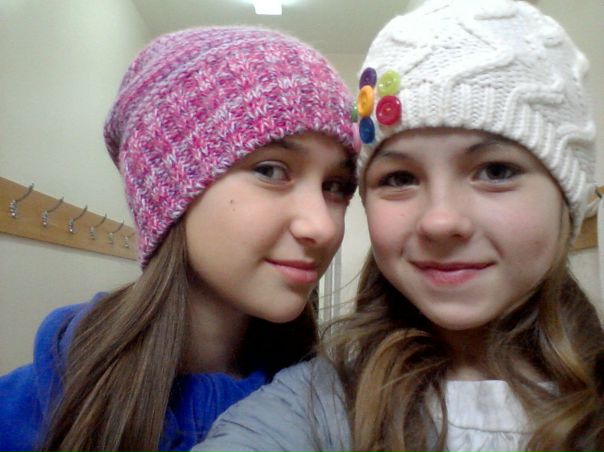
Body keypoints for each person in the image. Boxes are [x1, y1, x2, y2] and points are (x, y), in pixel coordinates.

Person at [194, 1, 604, 451]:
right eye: (400, 178)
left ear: (566, 199)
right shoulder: (312, 405)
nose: (440, 221)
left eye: (496, 171)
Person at [0, 26, 358, 452]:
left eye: (336, 186)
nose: (322, 226)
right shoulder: (24, 414)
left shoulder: (343, 411)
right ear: (168, 195)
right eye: (270, 170)